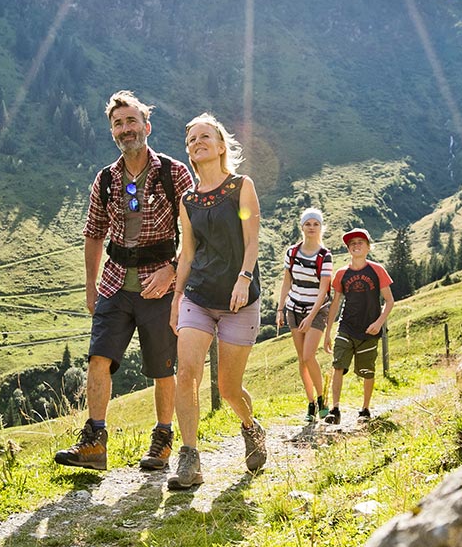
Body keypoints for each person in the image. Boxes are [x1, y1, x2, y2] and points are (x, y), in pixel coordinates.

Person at [55, 91, 197, 472]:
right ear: (112, 132)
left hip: (161, 286)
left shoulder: (174, 172)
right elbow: (94, 233)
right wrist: (90, 287)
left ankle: (163, 441)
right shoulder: (105, 179)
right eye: (118, 124)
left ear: (146, 126)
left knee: (163, 367)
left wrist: (172, 271)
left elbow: (195, 231)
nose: (125, 129)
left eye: (131, 121)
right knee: (99, 359)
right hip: (115, 283)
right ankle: (94, 443)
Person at [167, 113, 265, 490]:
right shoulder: (188, 200)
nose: (197, 142)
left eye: (204, 136)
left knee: (227, 388)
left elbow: (252, 239)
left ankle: (250, 426)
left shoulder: (241, 187)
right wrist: (177, 296)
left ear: (221, 146)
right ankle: (189, 458)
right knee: (187, 372)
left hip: (240, 299)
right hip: (198, 296)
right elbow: (188, 255)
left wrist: (244, 279)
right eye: (191, 139)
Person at [321, 228, 394, 425]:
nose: (356, 245)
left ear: (368, 247)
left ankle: (365, 409)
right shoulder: (342, 274)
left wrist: (379, 324)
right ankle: (335, 410)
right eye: (352, 243)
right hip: (346, 327)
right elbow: (335, 304)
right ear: (348, 249)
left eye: (360, 242)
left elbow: (389, 301)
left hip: (369, 331)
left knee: (367, 371)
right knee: (338, 366)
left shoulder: (377, 270)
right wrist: (328, 332)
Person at [275, 208, 334, 423]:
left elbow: (323, 289)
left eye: (315, 224)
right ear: (302, 227)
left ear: (321, 227)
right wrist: (280, 309)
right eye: (308, 224)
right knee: (302, 359)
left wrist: (311, 316)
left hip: (316, 310)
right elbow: (286, 282)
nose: (311, 228)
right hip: (294, 308)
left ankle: (322, 400)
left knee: (309, 355)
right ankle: (310, 403)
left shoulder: (324, 256)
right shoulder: (292, 252)